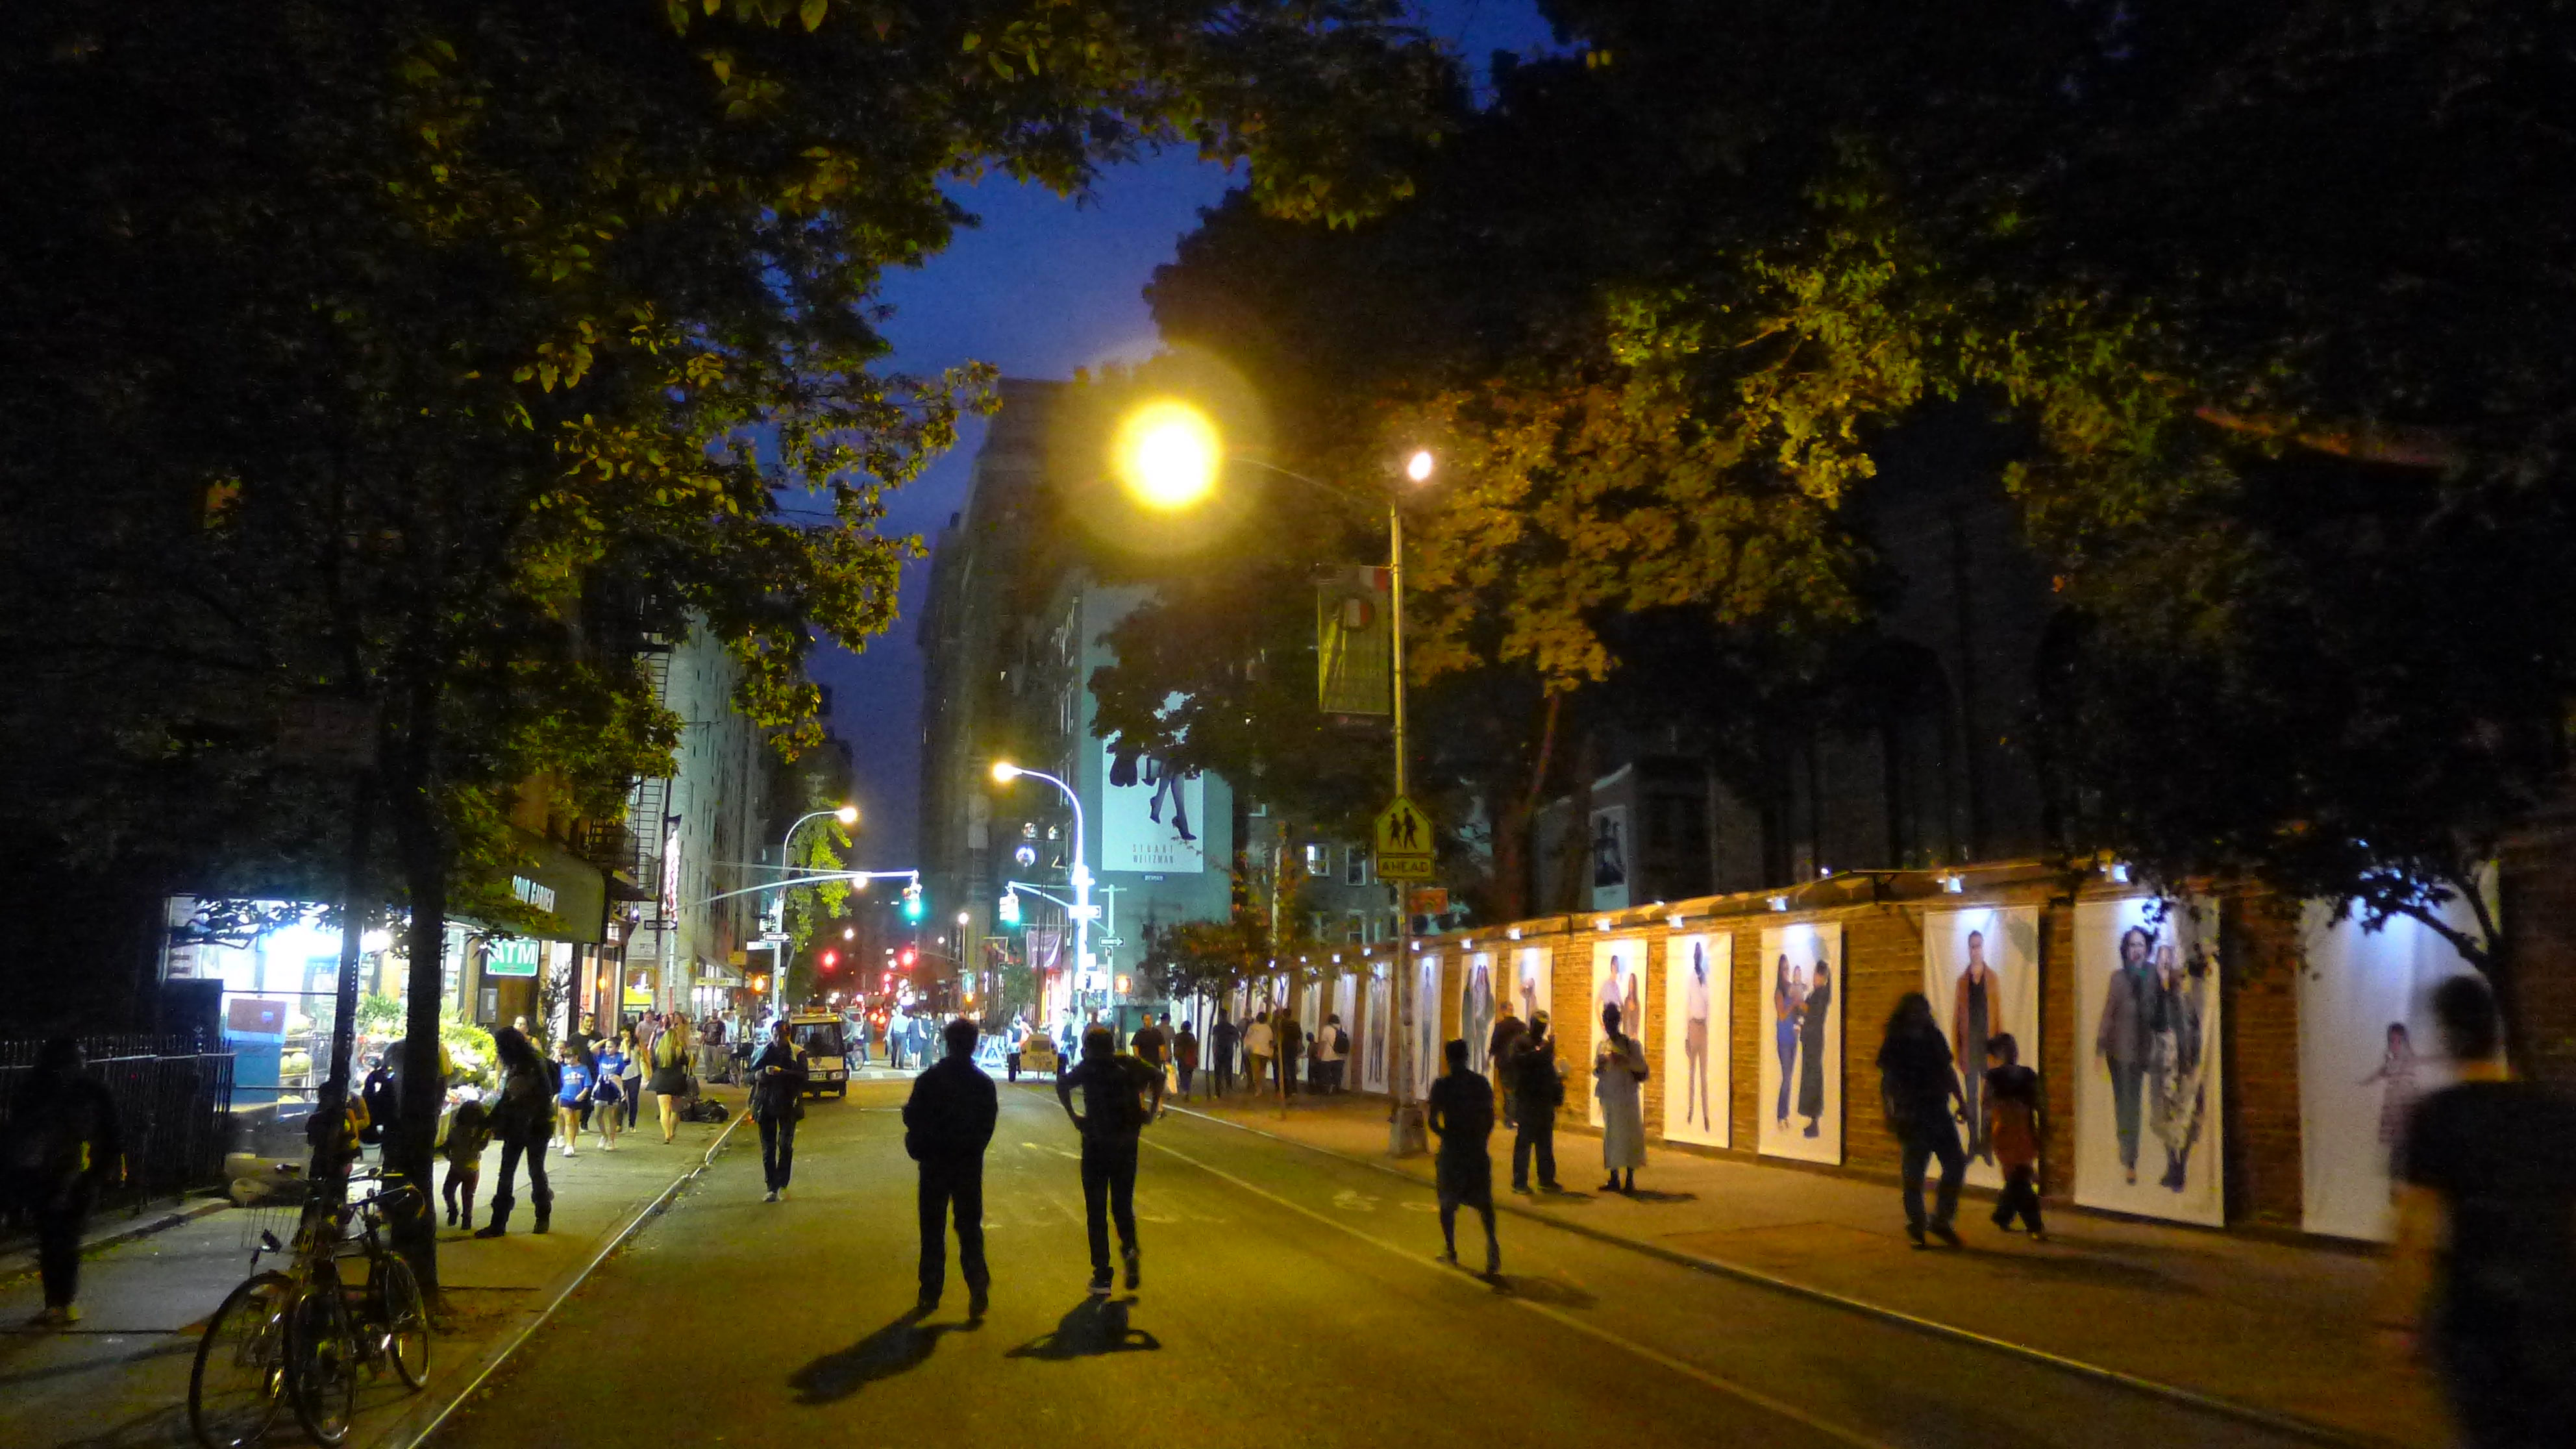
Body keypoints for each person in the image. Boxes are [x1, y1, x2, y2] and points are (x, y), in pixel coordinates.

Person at [2383, 974, 2576, 1448]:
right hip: (2555, 1315)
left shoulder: (2437, 1116)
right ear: (2497, 1034)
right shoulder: (2554, 1114)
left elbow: (2417, 1227)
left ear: (2447, 1038)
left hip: (2479, 1319)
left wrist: (2399, 1320)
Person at [3, 1039, 123, 1326]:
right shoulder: (89, 1092)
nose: (82, 1061)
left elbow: (14, 1132)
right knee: (61, 1238)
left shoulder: (35, 1089)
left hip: (55, 1172)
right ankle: (61, 1301)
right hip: (68, 1171)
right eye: (78, 1056)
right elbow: (111, 1133)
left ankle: (57, 1301)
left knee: (56, 1237)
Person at [1056, 1024, 1162, 1296]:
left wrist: (1073, 1116)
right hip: (1126, 1145)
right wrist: (1150, 1111)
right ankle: (1129, 1249)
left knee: (1096, 1211)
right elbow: (1159, 1077)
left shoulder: (1088, 1068)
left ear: (1089, 1048)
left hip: (1095, 1145)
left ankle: (1102, 1274)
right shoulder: (1130, 1064)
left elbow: (1062, 1084)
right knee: (1122, 1205)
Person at [905, 1018, 998, 1315]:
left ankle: (930, 1292)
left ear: (947, 1043)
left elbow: (912, 1117)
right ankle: (978, 1286)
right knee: (970, 1228)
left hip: (934, 1164)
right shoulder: (983, 1084)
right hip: (968, 1165)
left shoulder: (930, 1080)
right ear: (974, 1045)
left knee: (932, 1229)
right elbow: (987, 1126)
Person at [1877, 992, 1966, 1248]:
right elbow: (1888, 1081)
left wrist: (1961, 1102)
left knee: (1955, 1164)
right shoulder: (1896, 1042)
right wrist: (1890, 1110)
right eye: (1915, 1012)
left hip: (1937, 1108)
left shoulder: (1933, 1038)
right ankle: (1917, 1222)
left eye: (1923, 1011)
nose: (1920, 1016)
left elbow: (1948, 1071)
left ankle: (1941, 1218)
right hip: (1912, 1111)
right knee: (1914, 1172)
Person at [1428, 1037, 1501, 1274]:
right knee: (1484, 1202)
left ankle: (1451, 1250)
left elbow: (1432, 1121)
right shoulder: (1480, 1084)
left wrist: (1446, 1135)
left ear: (1448, 1059)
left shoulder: (1442, 1085)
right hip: (1476, 1149)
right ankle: (1492, 1245)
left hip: (1453, 1151)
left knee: (1448, 1203)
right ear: (1467, 1057)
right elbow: (1490, 1118)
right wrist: (1481, 1137)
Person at [475, 1026, 555, 1237]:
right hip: (536, 1123)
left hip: (528, 1124)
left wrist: (490, 1120)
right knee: (533, 1170)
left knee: (516, 1172)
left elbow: (512, 1098)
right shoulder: (531, 1062)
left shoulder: (525, 1066)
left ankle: (502, 1222)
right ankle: (540, 1214)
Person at [2094, 925, 2157, 1185]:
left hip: (2142, 1050)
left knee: (2135, 1104)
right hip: (2119, 1052)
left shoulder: (2152, 974)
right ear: (2125, 949)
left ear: (2146, 948)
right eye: (2132, 945)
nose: (2136, 949)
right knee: (2125, 1105)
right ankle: (2129, 1157)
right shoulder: (2118, 978)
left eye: (2140, 944)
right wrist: (2099, 1048)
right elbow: (2109, 1014)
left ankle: (2131, 1152)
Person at [1983, 1033, 2044, 1239]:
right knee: (2020, 1178)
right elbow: (1987, 1105)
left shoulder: (2027, 1074)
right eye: (2007, 1048)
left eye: (2013, 1047)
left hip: (2022, 1129)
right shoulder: (1996, 1076)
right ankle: (2033, 1225)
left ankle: (2003, 1214)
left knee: (2017, 1178)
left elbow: (2038, 1101)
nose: (2012, 1051)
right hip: (2005, 1130)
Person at [1950, 930, 1999, 1162]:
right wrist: (1957, 1051)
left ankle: (1986, 1145)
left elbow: (1998, 1018)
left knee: (1988, 1101)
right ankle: (1973, 1143)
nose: (1975, 950)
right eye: (1972, 946)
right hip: (1970, 1050)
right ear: (1968, 949)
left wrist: (2000, 1052)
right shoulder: (1962, 982)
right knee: (1970, 1100)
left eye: (1979, 946)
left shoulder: (1993, 980)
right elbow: (1956, 1019)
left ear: (1983, 948)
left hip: (1988, 1050)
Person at [1594, 1002, 1650, 1193]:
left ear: (1617, 1021)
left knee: (1629, 1137)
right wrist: (1600, 1066)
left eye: (1612, 1020)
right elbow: (1597, 1071)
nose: (1609, 1024)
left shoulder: (1631, 1045)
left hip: (1627, 1098)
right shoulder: (1602, 1046)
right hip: (1610, 1098)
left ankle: (1629, 1180)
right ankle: (1614, 1178)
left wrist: (1624, 1061)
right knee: (1611, 1138)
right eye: (1606, 1020)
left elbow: (1642, 1068)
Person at [749, 1019, 808, 1201]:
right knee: (768, 1148)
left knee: (785, 1145)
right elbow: (749, 1075)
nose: (777, 1039)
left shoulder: (797, 1053)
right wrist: (758, 1075)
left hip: (788, 1105)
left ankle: (782, 1181)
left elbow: (804, 1077)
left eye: (781, 1035)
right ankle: (771, 1186)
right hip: (765, 1105)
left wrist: (782, 1072)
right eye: (774, 1035)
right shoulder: (763, 1052)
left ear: (788, 1035)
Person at [1507, 1013, 1563, 1193]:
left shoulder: (1545, 1046)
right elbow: (1519, 1062)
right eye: (1538, 1026)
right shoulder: (1521, 1042)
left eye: (1543, 1026)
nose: (1541, 1029)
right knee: (1524, 1142)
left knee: (1545, 1142)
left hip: (1544, 1099)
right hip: (1528, 1099)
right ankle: (1519, 1181)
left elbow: (1550, 1071)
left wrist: (1557, 1090)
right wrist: (1541, 1053)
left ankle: (1546, 1179)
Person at [441, 1098, 492, 1231]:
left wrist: (449, 1155)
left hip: (463, 1168)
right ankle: (460, 1215)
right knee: (462, 1195)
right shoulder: (465, 1131)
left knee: (457, 1193)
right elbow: (447, 1146)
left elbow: (447, 1146)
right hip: (467, 1168)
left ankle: (462, 1215)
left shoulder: (475, 1132)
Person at [1797, 960, 1834, 1137]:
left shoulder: (1822, 994)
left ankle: (1814, 1120)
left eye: (1816, 975)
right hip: (1810, 1039)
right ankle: (1812, 1120)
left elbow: (1811, 1012)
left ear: (1821, 977)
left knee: (1813, 1078)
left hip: (1814, 1041)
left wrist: (1800, 1004)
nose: (1814, 978)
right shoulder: (1817, 994)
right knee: (1810, 1077)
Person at [1681, 944, 1713, 1130]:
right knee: (1692, 1073)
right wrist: (1686, 1035)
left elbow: (1708, 1001)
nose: (1697, 959)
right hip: (1693, 1026)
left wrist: (1703, 981)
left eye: (1699, 956)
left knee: (1703, 1075)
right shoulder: (1690, 979)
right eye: (1696, 955)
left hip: (1703, 1027)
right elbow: (1688, 1006)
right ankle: (1691, 1110)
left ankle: (1706, 1115)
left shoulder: (1704, 979)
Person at [649, 1011, 692, 1145]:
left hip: (661, 1081)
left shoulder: (658, 1051)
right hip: (676, 1081)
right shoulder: (679, 1050)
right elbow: (686, 1063)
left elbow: (653, 1064)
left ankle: (667, 1134)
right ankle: (672, 1132)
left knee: (664, 1110)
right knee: (675, 1111)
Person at [1773, 956, 1805, 1130]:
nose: (1786, 972)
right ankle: (1781, 1115)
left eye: (1788, 968)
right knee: (1786, 1078)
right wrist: (1793, 1004)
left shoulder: (1791, 988)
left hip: (1793, 1037)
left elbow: (1796, 1011)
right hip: (1784, 1039)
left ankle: (1784, 1114)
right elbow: (1782, 1015)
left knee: (1790, 1078)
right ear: (1779, 971)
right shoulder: (1779, 991)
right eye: (1784, 969)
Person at [1487, 1002, 1526, 1129]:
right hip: (1519, 1063)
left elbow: (1495, 1044)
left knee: (1508, 1091)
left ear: (1503, 1011)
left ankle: (1510, 1119)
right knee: (1517, 1090)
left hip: (1504, 1063)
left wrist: (1489, 1058)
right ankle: (1518, 1118)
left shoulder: (1500, 1027)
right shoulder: (1522, 1026)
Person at [588, 1034, 627, 1150]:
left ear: (617, 1047)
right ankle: (604, 1135)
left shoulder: (620, 1057)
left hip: (614, 1086)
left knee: (612, 1115)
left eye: (610, 1047)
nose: (607, 1049)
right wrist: (605, 1040)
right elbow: (593, 1049)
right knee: (598, 1113)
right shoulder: (602, 1055)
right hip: (601, 1086)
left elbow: (627, 1058)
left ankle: (611, 1140)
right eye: (607, 1046)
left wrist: (625, 1042)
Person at [553, 1039, 591, 1158]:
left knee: (575, 1122)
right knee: (568, 1121)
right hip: (566, 1098)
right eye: (566, 1058)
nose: (567, 1060)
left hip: (578, 1099)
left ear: (576, 1057)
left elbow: (588, 1085)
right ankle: (568, 1145)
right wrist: (556, 1094)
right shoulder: (563, 1069)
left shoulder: (584, 1069)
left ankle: (572, 1143)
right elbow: (558, 1083)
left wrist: (582, 1094)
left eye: (570, 1058)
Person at [1243, 1010, 1274, 1100]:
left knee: (1256, 1070)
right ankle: (1261, 1087)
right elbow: (1271, 1041)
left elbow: (1247, 1039)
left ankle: (1258, 1088)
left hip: (1254, 1052)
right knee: (1262, 1070)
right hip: (1265, 1053)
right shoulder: (1268, 1029)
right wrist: (1271, 1051)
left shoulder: (1252, 1027)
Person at [1313, 1011, 1345, 1095]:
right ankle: (1336, 1089)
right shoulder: (1341, 1028)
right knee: (1337, 1075)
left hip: (1327, 1057)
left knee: (1325, 1074)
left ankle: (1327, 1089)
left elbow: (1323, 1044)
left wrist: (1319, 1054)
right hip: (1339, 1056)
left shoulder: (1326, 1029)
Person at [1275, 1011, 1303, 1100]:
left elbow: (1278, 1036)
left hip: (1284, 1047)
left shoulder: (1281, 1025)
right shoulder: (1295, 1024)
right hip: (1293, 1047)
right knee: (1292, 1068)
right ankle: (1294, 1089)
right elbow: (1299, 1036)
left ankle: (1286, 1090)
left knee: (1283, 1069)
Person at [1211, 1010, 1239, 1097]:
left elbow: (1215, 1041)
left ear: (1219, 1016)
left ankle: (1218, 1090)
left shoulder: (1217, 1027)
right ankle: (1228, 1087)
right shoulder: (1231, 1028)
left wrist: (1214, 1052)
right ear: (1227, 1016)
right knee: (1228, 1070)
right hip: (1229, 1051)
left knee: (1218, 1072)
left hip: (1219, 1052)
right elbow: (1236, 1038)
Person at [1172, 1019, 1200, 1098]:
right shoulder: (1192, 1037)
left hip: (1181, 1058)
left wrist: (1176, 1056)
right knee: (1189, 1075)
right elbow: (1195, 1047)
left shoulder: (1178, 1036)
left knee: (1182, 1074)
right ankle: (1187, 1089)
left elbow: (1176, 1047)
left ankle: (1184, 1089)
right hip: (1190, 1058)